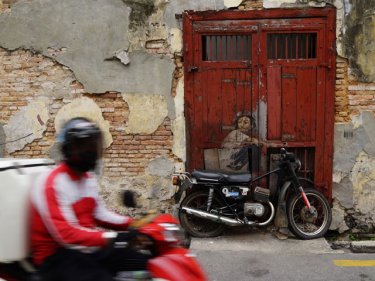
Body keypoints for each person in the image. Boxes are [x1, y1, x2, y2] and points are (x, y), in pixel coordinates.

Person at [29, 117, 150, 281]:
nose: (90, 152)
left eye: (92, 146)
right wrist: (112, 238)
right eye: (83, 146)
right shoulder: (53, 183)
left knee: (146, 263)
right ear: (68, 149)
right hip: (55, 256)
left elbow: (100, 214)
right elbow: (67, 235)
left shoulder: (87, 178)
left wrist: (136, 224)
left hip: (84, 248)